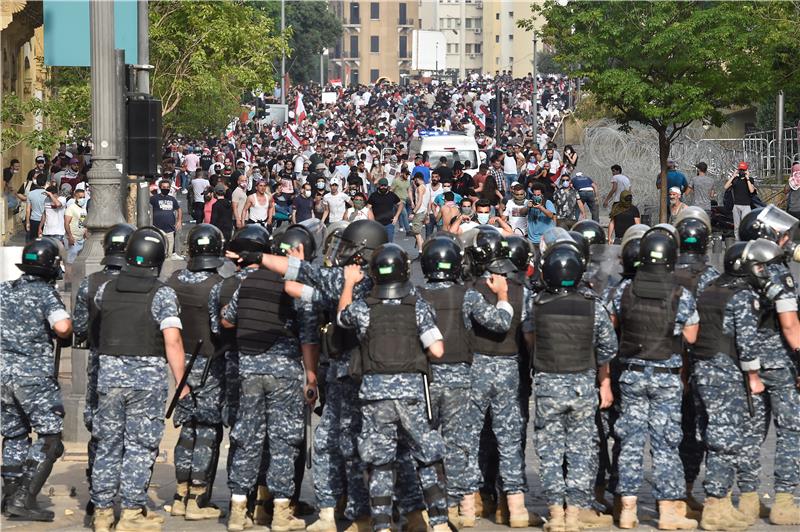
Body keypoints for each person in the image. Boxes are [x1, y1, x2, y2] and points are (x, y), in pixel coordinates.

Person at [338, 243, 451, 532]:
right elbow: (437, 349)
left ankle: (381, 525)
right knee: (427, 456)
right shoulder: (418, 306)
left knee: (380, 461)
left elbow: (342, 317)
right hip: (412, 392)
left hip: (375, 395)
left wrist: (349, 285)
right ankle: (438, 523)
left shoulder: (364, 308)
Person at [89, 227, 188, 532]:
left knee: (107, 444)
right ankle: (131, 513)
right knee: (139, 446)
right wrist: (182, 382)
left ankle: (103, 512)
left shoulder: (105, 289)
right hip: (146, 382)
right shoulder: (163, 293)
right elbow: (172, 340)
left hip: (109, 377)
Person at [607, 227, 699, 530]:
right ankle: (668, 512)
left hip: (631, 374)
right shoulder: (680, 293)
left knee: (630, 442)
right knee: (666, 444)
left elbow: (611, 327)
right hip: (666, 375)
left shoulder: (624, 290)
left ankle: (628, 511)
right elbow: (691, 334)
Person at [527, 243, 617, 532]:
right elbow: (607, 348)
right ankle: (575, 515)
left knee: (550, 452)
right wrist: (604, 383)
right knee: (580, 451)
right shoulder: (594, 306)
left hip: (548, 385)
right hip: (582, 385)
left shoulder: (536, 304)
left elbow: (529, 338)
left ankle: (555, 514)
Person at [461, 226, 538, 528]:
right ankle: (513, 506)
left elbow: (464, 332)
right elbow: (529, 337)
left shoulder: (471, 293)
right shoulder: (526, 294)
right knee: (510, 440)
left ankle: (473, 502)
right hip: (511, 370)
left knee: (474, 437)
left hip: (477, 369)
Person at [690, 242, 760, 531]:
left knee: (710, 433)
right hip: (725, 370)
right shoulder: (740, 296)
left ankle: (717, 502)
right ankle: (715, 507)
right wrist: (754, 377)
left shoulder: (710, 289)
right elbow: (746, 342)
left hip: (703, 368)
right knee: (725, 438)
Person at [1, 238, 72, 522]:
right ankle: (24, 497)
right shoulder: (44, 293)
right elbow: (63, 326)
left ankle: (10, 495)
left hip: (3, 373)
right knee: (50, 438)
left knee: (15, 434)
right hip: (33, 377)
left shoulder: (4, 289)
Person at [72, 225, 135, 516]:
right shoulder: (139, 282)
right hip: (136, 365)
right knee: (133, 434)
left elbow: (80, 329)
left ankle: (98, 493)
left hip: (100, 362)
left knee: (100, 430)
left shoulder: (90, 283)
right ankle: (129, 496)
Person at [166, 224, 226, 522]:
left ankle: (180, 493)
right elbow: (220, 327)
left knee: (187, 428)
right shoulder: (217, 285)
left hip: (180, 362)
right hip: (209, 364)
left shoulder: (173, 280)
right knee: (207, 430)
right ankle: (198, 499)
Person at [739, 238, 800, 526]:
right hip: (780, 364)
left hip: (749, 361)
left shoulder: (741, 269)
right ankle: (784, 502)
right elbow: (789, 324)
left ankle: (748, 499)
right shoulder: (777, 273)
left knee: (752, 431)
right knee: (789, 431)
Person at [419, 237, 476, 527]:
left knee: (425, 444)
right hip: (459, 378)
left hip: (426, 380)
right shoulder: (468, 294)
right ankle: (462, 507)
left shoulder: (417, 296)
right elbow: (495, 322)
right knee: (458, 443)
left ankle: (431, 504)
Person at [150, 180, 183, 259]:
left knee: (169, 253)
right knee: (160, 252)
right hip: (158, 229)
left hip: (170, 229)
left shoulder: (172, 199)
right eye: (164, 187)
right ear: (160, 188)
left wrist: (179, 221)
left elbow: (179, 209)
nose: (166, 189)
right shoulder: (154, 198)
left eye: (168, 187)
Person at [724, 162, 755, 239]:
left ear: (746, 170)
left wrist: (747, 178)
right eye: (740, 170)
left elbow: (751, 190)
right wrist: (733, 176)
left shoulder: (750, 179)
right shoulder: (735, 179)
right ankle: (737, 240)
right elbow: (725, 186)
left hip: (746, 206)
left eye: (743, 170)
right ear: (738, 170)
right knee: (737, 226)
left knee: (745, 225)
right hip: (736, 205)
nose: (742, 172)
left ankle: (745, 240)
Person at [368, 177, 403, 242]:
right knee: (377, 244)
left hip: (389, 224)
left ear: (387, 186)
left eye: (385, 185)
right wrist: (371, 219)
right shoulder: (373, 195)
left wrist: (396, 216)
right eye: (382, 185)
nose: (383, 187)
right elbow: (368, 208)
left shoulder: (392, 195)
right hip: (377, 224)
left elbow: (401, 204)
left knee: (389, 245)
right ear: (378, 185)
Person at [526, 182, 557, 247]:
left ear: (542, 194)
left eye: (538, 195)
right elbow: (522, 212)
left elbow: (551, 215)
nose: (536, 197)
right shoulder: (529, 202)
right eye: (534, 195)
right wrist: (527, 207)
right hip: (532, 239)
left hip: (546, 239)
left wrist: (540, 207)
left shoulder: (547, 202)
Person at [65, 186, 88, 264]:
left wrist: (85, 233)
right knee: (70, 262)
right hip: (73, 239)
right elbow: (66, 223)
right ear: (75, 197)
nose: (82, 199)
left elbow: (83, 222)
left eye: (83, 197)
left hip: (81, 239)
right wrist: (70, 236)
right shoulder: (71, 208)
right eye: (80, 197)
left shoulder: (83, 209)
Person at [25, 176, 50, 243]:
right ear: (45, 183)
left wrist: (27, 222)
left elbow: (28, 210)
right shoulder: (48, 194)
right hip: (46, 220)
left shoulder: (30, 193)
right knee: (45, 242)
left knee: (33, 241)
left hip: (34, 220)